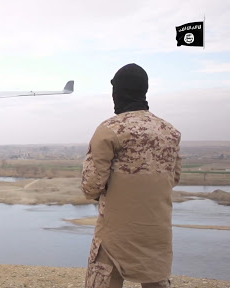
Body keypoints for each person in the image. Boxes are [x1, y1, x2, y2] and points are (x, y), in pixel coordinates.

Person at [81, 63, 182, 288]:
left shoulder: (110, 130)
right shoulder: (170, 132)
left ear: (117, 93)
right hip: (156, 233)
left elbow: (91, 186)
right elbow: (173, 178)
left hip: (114, 236)